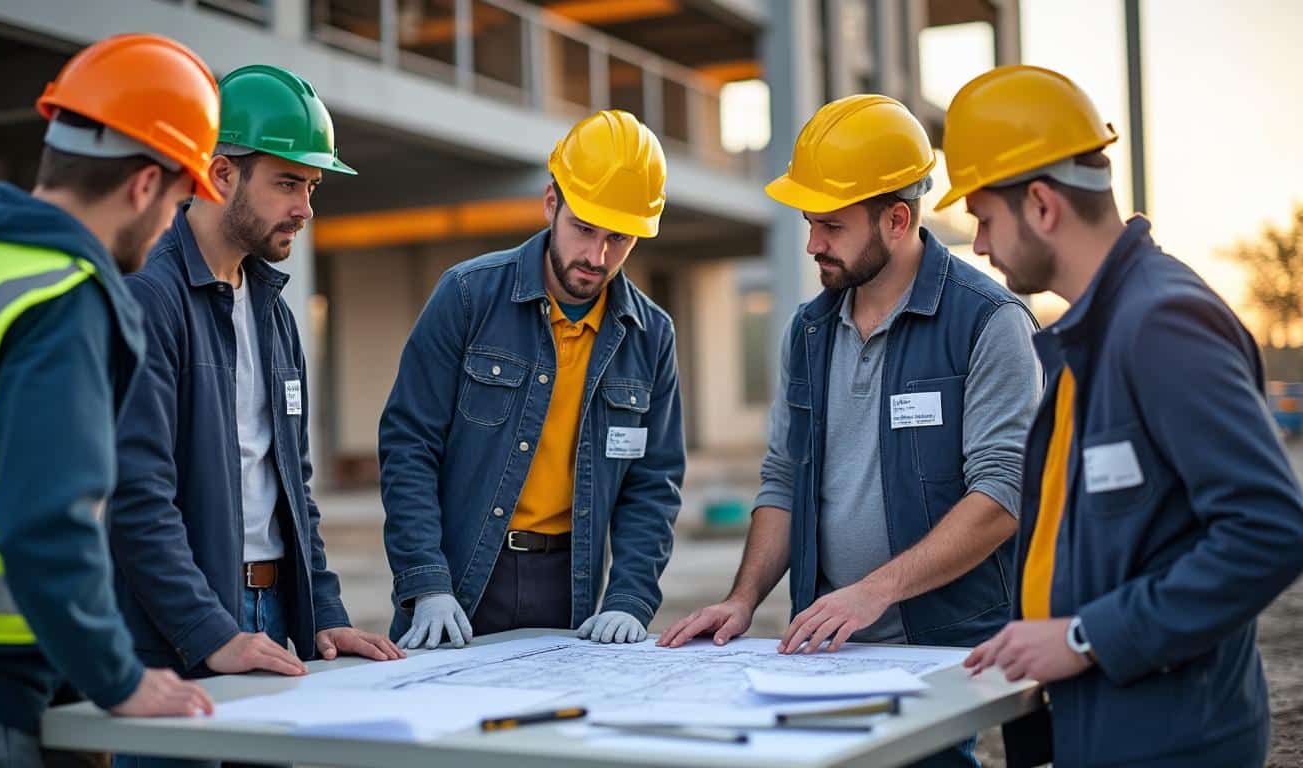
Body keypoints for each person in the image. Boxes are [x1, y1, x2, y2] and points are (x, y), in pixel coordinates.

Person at [659, 95, 1042, 768]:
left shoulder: (988, 323)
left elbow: (1002, 495)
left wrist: (874, 592)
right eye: (809, 224)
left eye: (830, 226)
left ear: (897, 219)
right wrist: (744, 599)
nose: (811, 244)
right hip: (829, 650)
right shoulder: (809, 331)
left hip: (941, 646)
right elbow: (783, 479)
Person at [942, 65, 1303, 768]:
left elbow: (1270, 531)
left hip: (1175, 742)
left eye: (985, 219)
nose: (980, 245)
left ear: (1042, 205)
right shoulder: (1097, 332)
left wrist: (1083, 637)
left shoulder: (1161, 323)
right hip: (1113, 726)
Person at [106, 67, 399, 764]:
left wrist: (324, 613)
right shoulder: (150, 299)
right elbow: (136, 498)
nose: (305, 209)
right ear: (219, 175)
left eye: (312, 188)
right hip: (177, 630)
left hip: (273, 617)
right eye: (289, 183)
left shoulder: (274, 313)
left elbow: (294, 490)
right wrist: (211, 632)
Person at [0, 34, 221, 767]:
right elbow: (45, 520)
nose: (172, 222)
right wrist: (117, 676)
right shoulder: (61, 298)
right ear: (144, 186)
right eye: (177, 199)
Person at [379, 110, 684, 650]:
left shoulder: (651, 335)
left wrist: (629, 599)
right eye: (584, 229)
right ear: (551, 203)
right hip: (464, 579)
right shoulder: (468, 296)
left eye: (620, 238)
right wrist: (425, 582)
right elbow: (409, 446)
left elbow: (652, 485)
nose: (597, 256)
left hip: (570, 587)